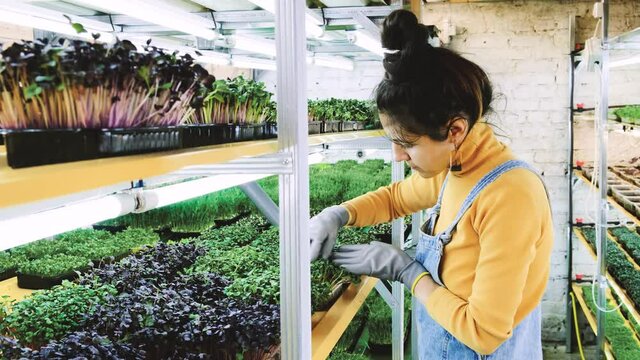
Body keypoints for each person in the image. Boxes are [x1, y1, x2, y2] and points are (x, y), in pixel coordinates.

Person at [309, 9, 553, 360]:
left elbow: (483, 333)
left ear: (454, 130)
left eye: (406, 144)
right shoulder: (453, 168)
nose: (397, 156)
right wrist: (338, 214)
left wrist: (408, 272)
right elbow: (395, 199)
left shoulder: (510, 196)